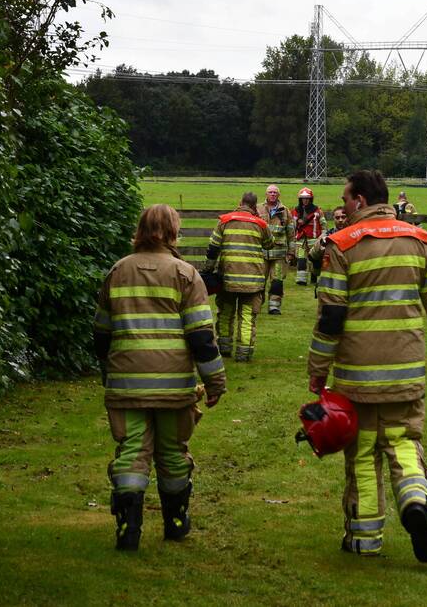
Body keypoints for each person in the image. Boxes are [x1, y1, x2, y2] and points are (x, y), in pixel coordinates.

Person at [307, 170, 427, 562]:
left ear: (359, 200)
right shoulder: (419, 239)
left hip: (356, 379)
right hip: (405, 373)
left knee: (362, 455)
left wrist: (318, 367)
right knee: (404, 442)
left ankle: (364, 540)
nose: (341, 207)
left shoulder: (341, 246)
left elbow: (331, 319)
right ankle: (416, 504)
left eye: (344, 200)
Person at [93, 204, 227, 551]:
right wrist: (215, 382)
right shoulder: (185, 275)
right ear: (172, 232)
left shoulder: (117, 271)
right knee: (172, 452)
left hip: (126, 384)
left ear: (140, 230)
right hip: (172, 387)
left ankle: (129, 526)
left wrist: (110, 374)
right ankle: (176, 521)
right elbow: (201, 337)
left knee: (131, 452)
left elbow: (101, 335)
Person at [204, 191, 273, 362]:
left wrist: (208, 269)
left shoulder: (225, 221)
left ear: (240, 202)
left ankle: (225, 348)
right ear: (255, 206)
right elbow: (269, 244)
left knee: (226, 313)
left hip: (227, 278)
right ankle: (244, 353)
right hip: (253, 281)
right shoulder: (261, 224)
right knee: (247, 317)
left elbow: (213, 248)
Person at [256, 184, 295, 315]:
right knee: (259, 281)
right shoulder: (258, 209)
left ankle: (274, 306)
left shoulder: (285, 211)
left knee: (277, 281)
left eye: (275, 192)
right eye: (270, 192)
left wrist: (291, 252)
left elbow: (291, 233)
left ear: (278, 195)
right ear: (266, 194)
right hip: (261, 253)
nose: (272, 194)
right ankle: (256, 305)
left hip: (279, 254)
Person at [292, 187, 327, 286]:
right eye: (303, 198)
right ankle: (301, 281)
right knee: (301, 260)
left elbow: (323, 224)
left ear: (311, 199)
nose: (305, 200)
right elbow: (293, 226)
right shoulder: (296, 211)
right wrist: (293, 238)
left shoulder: (317, 211)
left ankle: (314, 278)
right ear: (300, 199)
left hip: (314, 240)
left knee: (314, 260)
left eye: (307, 198)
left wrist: (323, 237)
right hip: (301, 240)